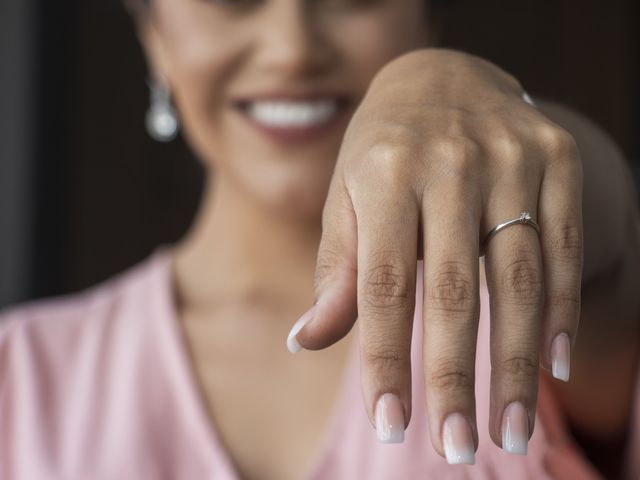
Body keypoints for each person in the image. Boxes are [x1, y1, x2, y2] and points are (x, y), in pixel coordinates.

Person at [1, 0, 639, 478]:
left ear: (427, 16)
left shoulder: (523, 319)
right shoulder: (18, 380)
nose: (292, 47)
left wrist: (501, 115)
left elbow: (610, 249)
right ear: (153, 30)